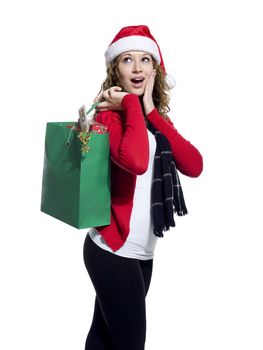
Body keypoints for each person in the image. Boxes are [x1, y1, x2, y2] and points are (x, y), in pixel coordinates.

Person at [83, 25, 203, 350]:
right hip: (111, 249)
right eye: (127, 59)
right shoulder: (109, 118)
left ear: (155, 68)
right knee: (130, 343)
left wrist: (149, 109)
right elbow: (135, 161)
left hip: (141, 253)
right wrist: (131, 106)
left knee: (105, 337)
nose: (137, 68)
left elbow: (194, 165)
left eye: (145, 59)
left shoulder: (153, 123)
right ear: (115, 70)